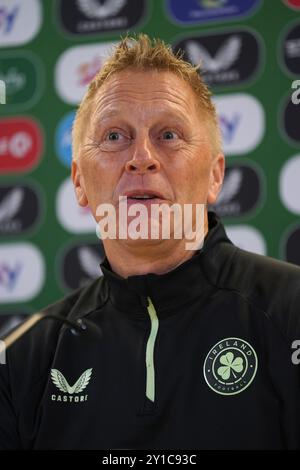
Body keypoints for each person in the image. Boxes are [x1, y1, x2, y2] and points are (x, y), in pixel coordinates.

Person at [1, 34, 300, 450]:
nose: (141, 156)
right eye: (114, 136)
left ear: (215, 176)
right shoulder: (21, 359)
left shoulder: (292, 311)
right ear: (79, 183)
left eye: (169, 135)